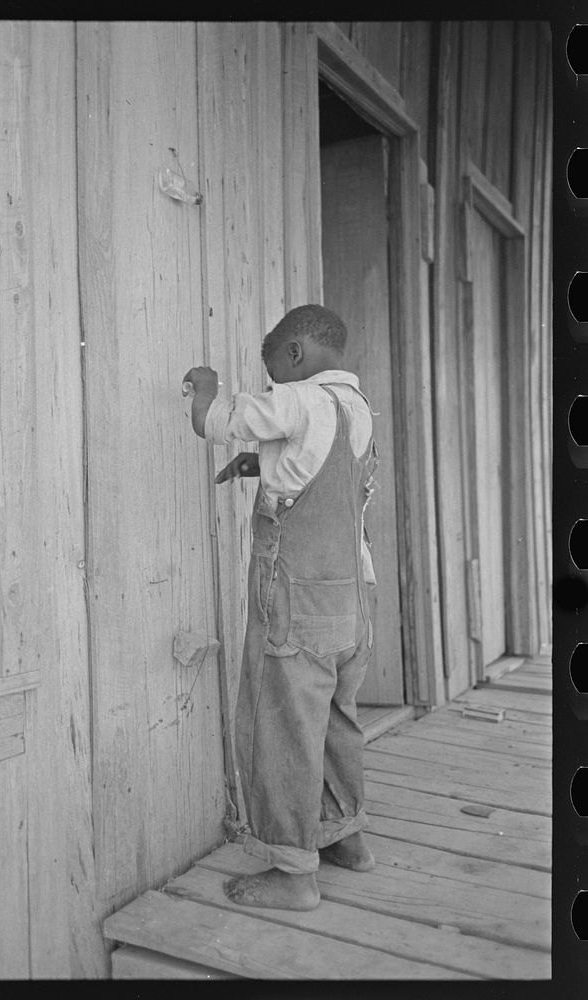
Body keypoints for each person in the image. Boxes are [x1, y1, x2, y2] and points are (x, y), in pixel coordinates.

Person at [183, 304, 379, 911]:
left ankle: (295, 873)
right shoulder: (357, 408)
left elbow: (214, 422)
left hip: (297, 600)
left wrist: (205, 386)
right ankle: (346, 837)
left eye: (271, 370)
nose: (271, 382)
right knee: (337, 718)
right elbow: (322, 472)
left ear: (293, 355)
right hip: (352, 602)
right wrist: (260, 464)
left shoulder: (297, 400)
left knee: (283, 726)